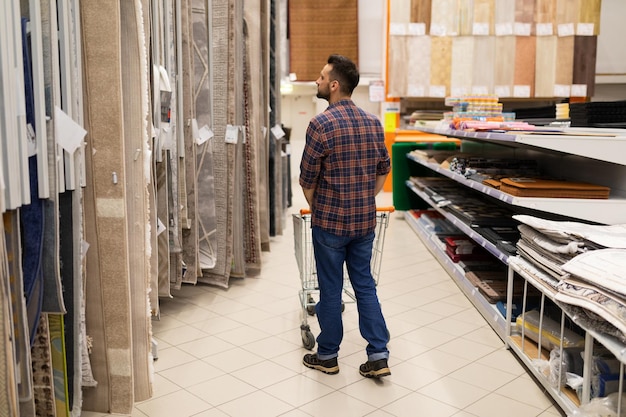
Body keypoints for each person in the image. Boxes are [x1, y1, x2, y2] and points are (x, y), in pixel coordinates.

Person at [299, 54, 391, 378]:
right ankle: (378, 354)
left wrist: (322, 206)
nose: (317, 81)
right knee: (365, 285)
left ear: (334, 85)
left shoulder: (320, 125)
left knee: (330, 289)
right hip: (364, 223)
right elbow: (384, 170)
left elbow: (306, 180)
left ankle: (328, 355)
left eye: (322, 77)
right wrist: (364, 198)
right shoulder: (373, 123)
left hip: (330, 226)